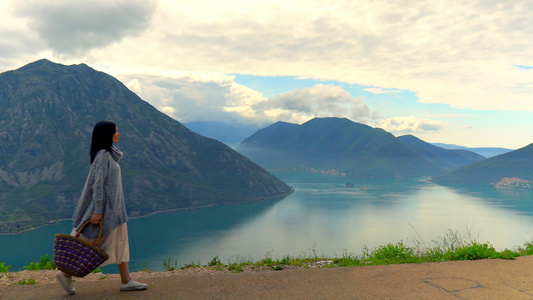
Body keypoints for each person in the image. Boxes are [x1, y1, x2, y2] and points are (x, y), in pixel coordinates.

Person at [56, 120, 147, 294]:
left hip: (115, 212)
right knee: (86, 242)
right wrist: (98, 211)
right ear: (108, 134)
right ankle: (65, 274)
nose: (119, 134)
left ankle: (126, 280)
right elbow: (98, 185)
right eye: (116, 131)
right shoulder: (104, 156)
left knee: (121, 244)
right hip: (105, 211)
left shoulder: (108, 154)